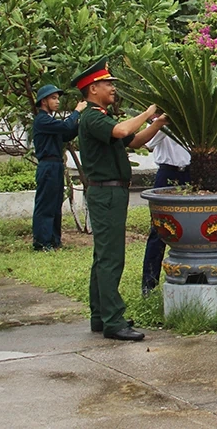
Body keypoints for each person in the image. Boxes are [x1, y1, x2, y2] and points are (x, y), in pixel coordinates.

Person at [73, 57, 166, 342]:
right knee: (111, 257)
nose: (112, 88)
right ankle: (113, 321)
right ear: (92, 88)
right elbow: (124, 131)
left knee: (103, 256)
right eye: (107, 84)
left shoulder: (101, 116)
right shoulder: (92, 117)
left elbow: (134, 140)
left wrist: (159, 122)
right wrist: (148, 110)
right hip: (106, 193)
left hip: (110, 191)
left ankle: (100, 316)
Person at [31, 84, 87, 251]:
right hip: (47, 165)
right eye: (53, 98)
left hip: (55, 165)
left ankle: (54, 240)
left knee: (55, 203)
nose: (57, 102)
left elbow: (66, 134)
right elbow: (64, 127)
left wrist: (81, 124)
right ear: (43, 101)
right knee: (46, 204)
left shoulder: (50, 121)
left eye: (58, 98)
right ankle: (42, 242)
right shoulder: (42, 120)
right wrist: (77, 111)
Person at [140, 125, 191, 296]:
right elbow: (148, 143)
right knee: (159, 229)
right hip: (167, 173)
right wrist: (163, 122)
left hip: (191, 172)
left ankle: (191, 278)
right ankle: (149, 282)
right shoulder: (159, 123)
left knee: (192, 228)